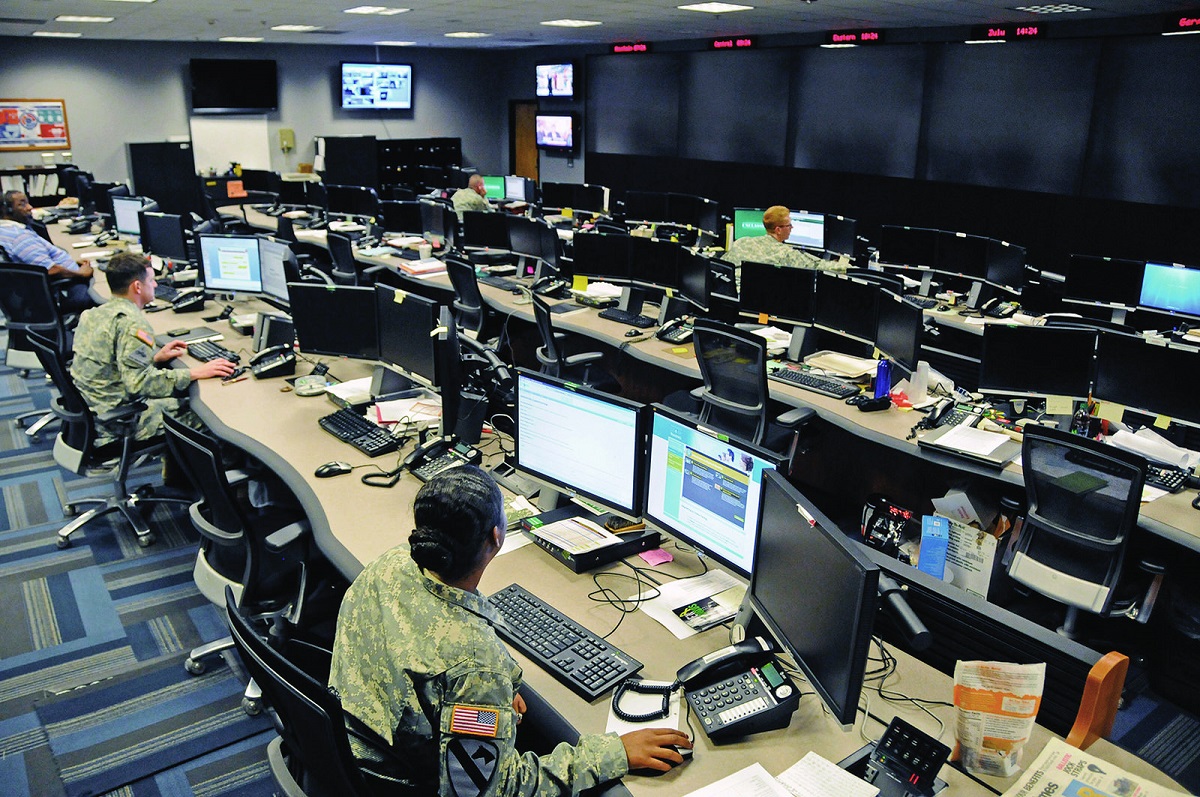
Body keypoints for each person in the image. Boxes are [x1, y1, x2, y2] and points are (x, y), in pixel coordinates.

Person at [329, 466, 691, 796]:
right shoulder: (474, 665)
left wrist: (499, 686)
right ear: (496, 535)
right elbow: (492, 789)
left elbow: (432, 642)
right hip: (405, 785)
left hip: (352, 753)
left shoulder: (392, 565)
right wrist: (614, 753)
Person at [70, 251, 236, 442]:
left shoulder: (93, 314)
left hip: (93, 410)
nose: (156, 285)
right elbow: (138, 384)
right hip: (119, 424)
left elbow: (111, 363)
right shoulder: (133, 324)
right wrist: (194, 373)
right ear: (137, 287)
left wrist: (154, 358)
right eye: (152, 280)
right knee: (210, 416)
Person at [0, 190, 97, 312]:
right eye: (22, 204)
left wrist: (71, 262)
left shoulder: (5, 231)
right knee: (104, 292)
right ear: (6, 210)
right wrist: (81, 273)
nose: (30, 208)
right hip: (68, 285)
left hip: (48, 288)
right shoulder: (19, 237)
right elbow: (50, 269)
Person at [721, 205, 841, 290]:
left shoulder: (742, 242)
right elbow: (818, 265)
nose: (792, 228)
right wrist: (850, 268)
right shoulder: (785, 253)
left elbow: (721, 265)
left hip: (731, 298)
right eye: (789, 225)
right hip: (760, 304)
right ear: (778, 230)